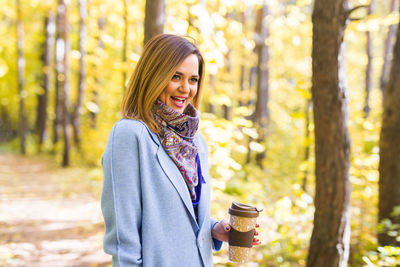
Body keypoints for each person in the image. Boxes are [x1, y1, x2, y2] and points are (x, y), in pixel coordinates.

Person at [101, 34, 259, 267]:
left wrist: (215, 230)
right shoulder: (130, 135)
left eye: (193, 79)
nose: (186, 89)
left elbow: (184, 217)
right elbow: (123, 238)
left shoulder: (195, 140)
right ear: (153, 76)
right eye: (176, 77)